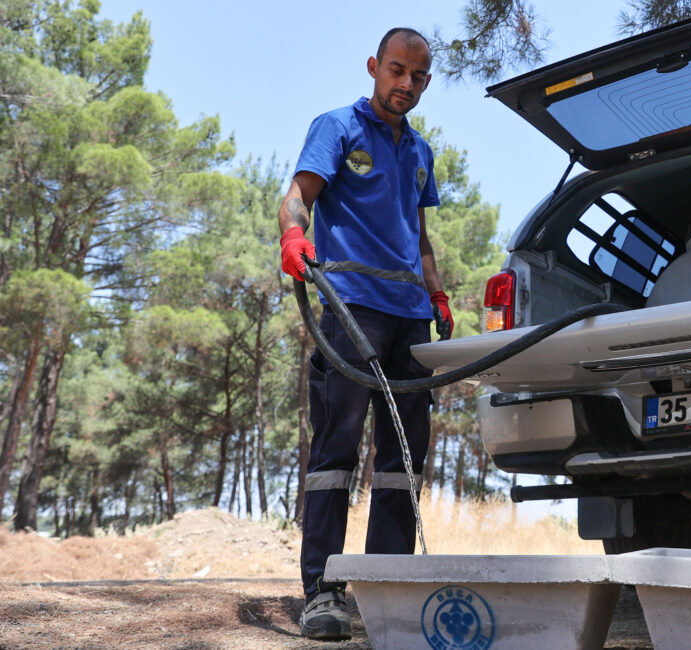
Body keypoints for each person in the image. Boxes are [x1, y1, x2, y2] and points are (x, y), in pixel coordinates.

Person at [277, 27, 453, 640]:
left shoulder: (421, 152)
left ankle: (387, 592)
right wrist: (293, 236)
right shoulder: (337, 127)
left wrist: (436, 294)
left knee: (404, 460)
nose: (406, 84)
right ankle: (323, 592)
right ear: (375, 66)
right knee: (335, 451)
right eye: (397, 71)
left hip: (411, 317)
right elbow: (298, 195)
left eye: (418, 77)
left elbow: (420, 235)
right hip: (351, 307)